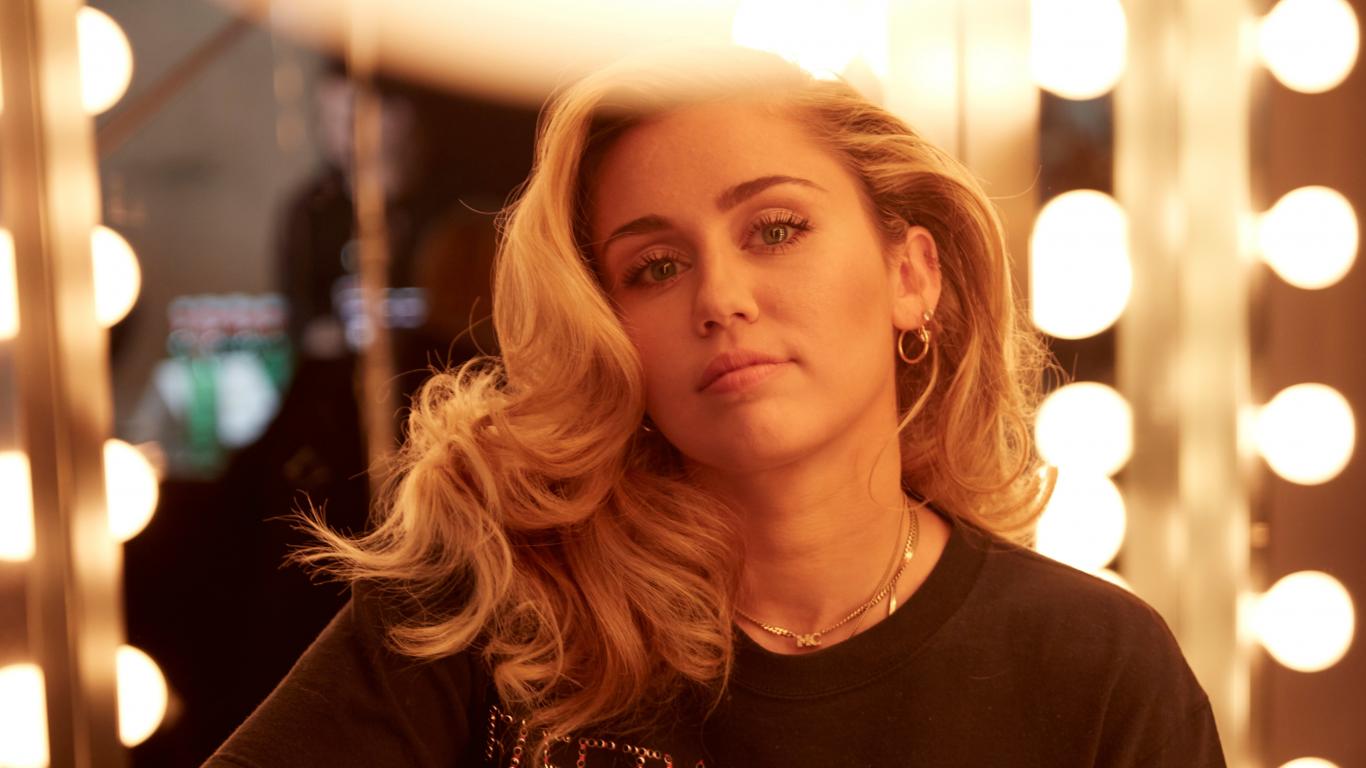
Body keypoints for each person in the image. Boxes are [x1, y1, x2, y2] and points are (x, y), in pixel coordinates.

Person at [205, 47, 1226, 767]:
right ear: (612, 332)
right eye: (654, 266)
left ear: (911, 275)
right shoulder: (485, 615)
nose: (720, 297)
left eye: (775, 229)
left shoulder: (1092, 667)